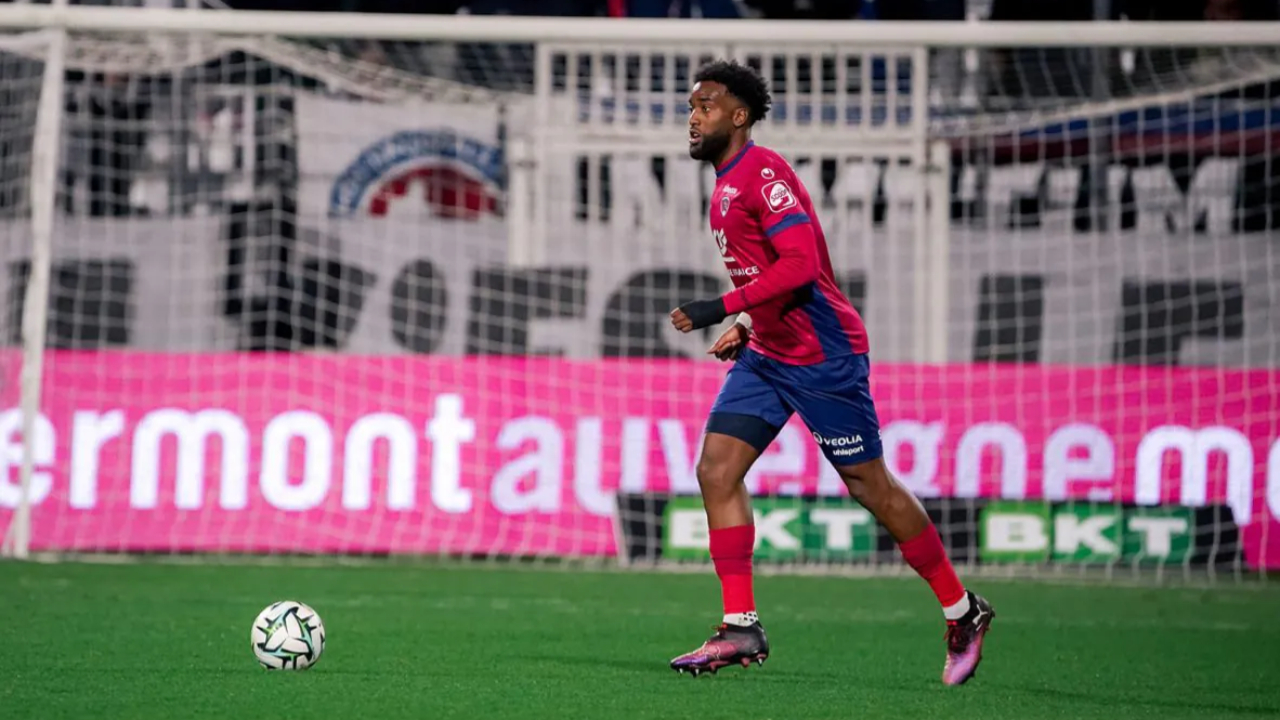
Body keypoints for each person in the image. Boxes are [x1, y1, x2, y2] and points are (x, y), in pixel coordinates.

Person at [667, 60, 994, 685]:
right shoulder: (726, 182)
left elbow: (801, 264)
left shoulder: (763, 174)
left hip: (823, 357)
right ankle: (740, 626)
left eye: (706, 106)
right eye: (691, 106)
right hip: (769, 354)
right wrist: (751, 322)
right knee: (717, 470)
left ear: (739, 116)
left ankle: (962, 610)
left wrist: (722, 306)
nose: (694, 116)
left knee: (872, 488)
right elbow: (784, 268)